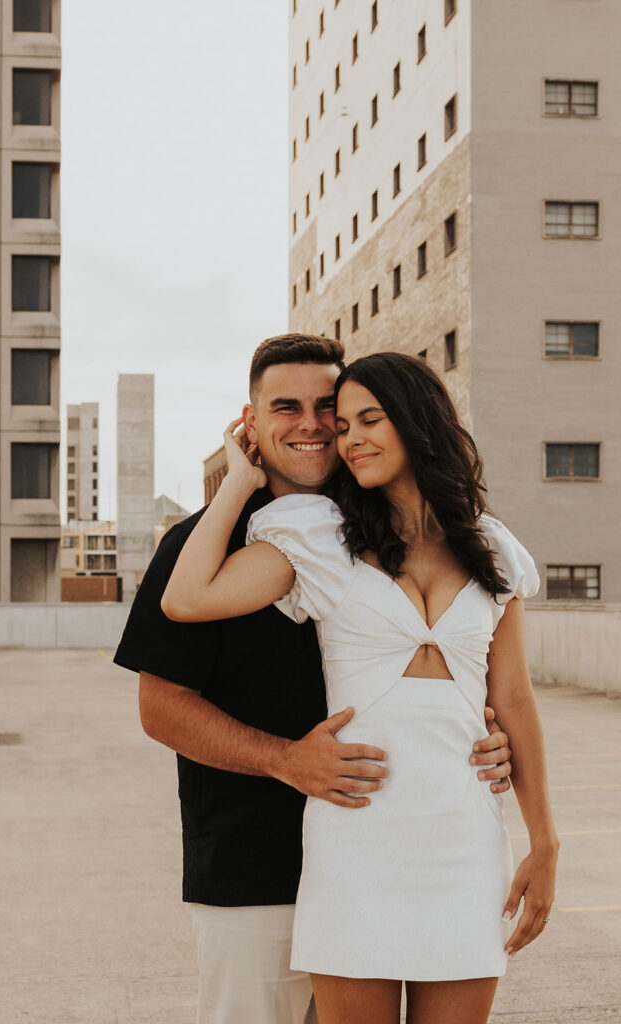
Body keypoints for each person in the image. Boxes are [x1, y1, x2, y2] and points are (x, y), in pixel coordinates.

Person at [113, 335, 516, 1024]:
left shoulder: (376, 529)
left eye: (329, 407)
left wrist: (489, 735)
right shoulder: (203, 544)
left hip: (396, 843)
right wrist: (285, 760)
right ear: (250, 421)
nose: (311, 424)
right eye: (285, 406)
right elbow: (161, 708)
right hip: (257, 869)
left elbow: (469, 667)